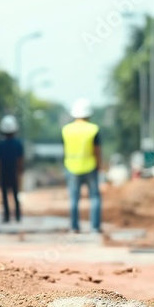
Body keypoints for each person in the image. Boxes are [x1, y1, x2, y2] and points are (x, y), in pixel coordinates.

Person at [61, 99, 102, 234]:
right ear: (88, 114)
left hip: (71, 167)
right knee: (94, 197)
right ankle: (95, 228)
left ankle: (74, 227)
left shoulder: (66, 130)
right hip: (90, 166)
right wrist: (99, 166)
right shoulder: (93, 129)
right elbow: (97, 150)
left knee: (74, 199)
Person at [0, 115, 24, 223]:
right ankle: (17, 216)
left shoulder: (0, 145)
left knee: (5, 196)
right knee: (16, 195)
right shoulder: (18, 144)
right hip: (14, 173)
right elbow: (20, 160)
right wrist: (20, 173)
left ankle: (7, 216)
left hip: (4, 173)